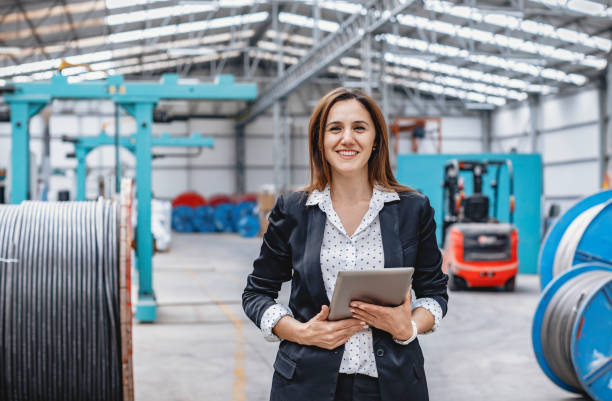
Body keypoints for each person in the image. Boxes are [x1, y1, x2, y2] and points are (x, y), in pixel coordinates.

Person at [242, 88, 448, 401]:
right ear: (320, 141)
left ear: (376, 139)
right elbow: (256, 294)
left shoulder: (412, 209)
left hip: (391, 385)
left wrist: (408, 327)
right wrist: (299, 332)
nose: (347, 138)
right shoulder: (294, 209)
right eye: (335, 128)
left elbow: (434, 294)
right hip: (306, 384)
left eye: (359, 128)